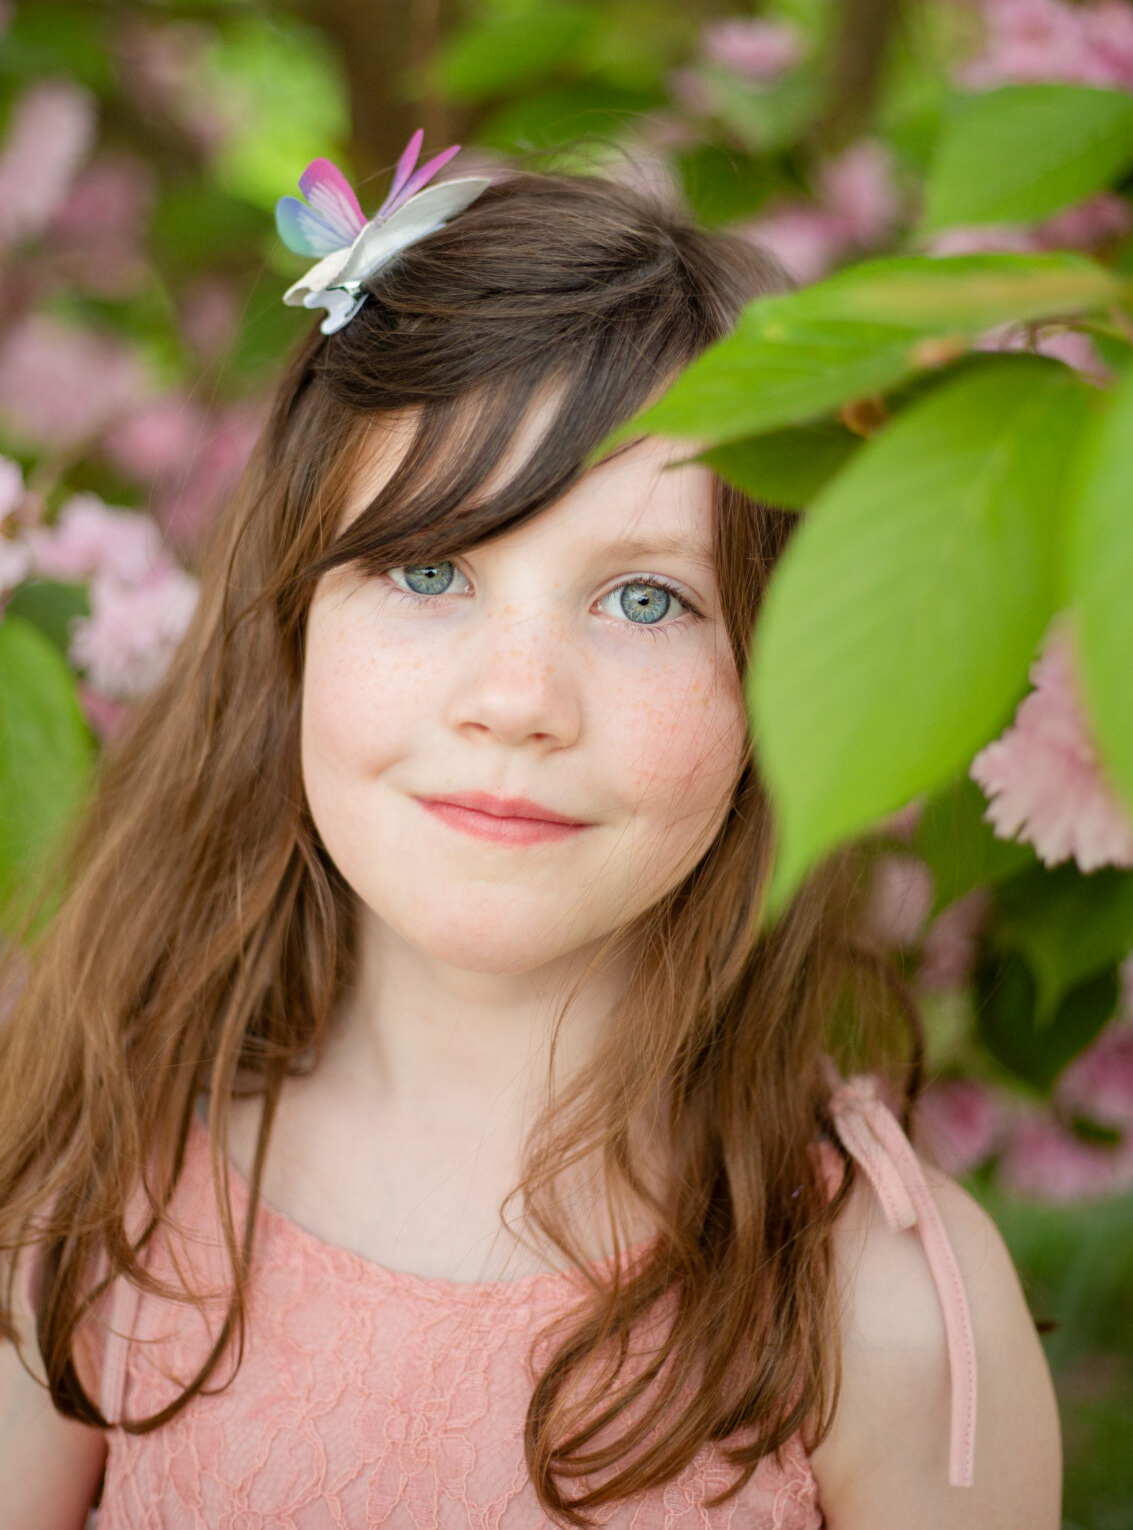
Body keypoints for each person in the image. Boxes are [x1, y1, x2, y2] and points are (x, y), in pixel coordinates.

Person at [0, 141, 1060, 1529]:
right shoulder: (94, 1206)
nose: (517, 703)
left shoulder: (878, 1309)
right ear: (293, 626)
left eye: (642, 600)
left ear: (780, 679)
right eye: (429, 569)